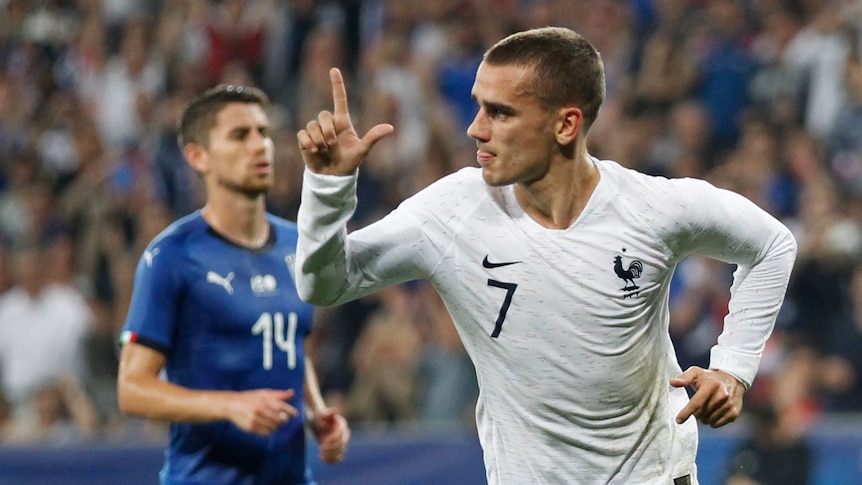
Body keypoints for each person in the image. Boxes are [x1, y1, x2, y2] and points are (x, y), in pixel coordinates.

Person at [295, 26, 797, 484]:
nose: (475, 128)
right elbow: (325, 284)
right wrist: (328, 189)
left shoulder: (653, 208)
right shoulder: (451, 211)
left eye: (500, 112)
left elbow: (772, 245)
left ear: (565, 125)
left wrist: (732, 368)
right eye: (477, 106)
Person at [116, 85, 350, 485]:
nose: (260, 146)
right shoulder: (172, 256)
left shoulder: (299, 244)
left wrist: (317, 412)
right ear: (198, 156)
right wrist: (229, 406)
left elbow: (290, 345)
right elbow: (132, 388)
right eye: (240, 136)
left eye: (263, 133)